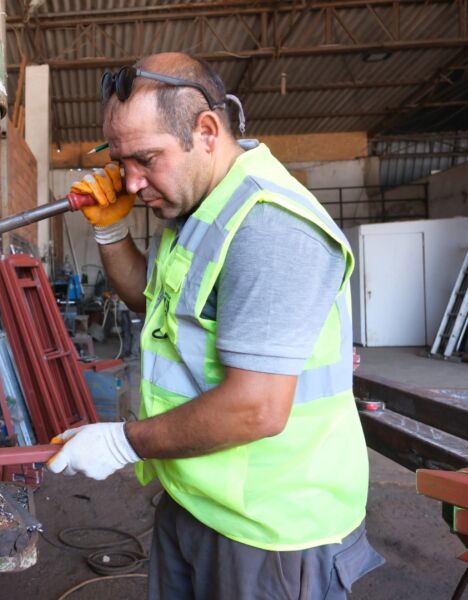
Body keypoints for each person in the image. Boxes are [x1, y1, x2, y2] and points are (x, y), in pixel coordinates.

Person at [46, 52, 384, 599]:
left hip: (272, 526)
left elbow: (257, 407)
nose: (130, 183)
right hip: (199, 496)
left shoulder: (268, 225)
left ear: (206, 131)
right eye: (120, 161)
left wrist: (123, 443)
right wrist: (109, 233)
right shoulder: (199, 210)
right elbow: (151, 304)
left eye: (146, 158)